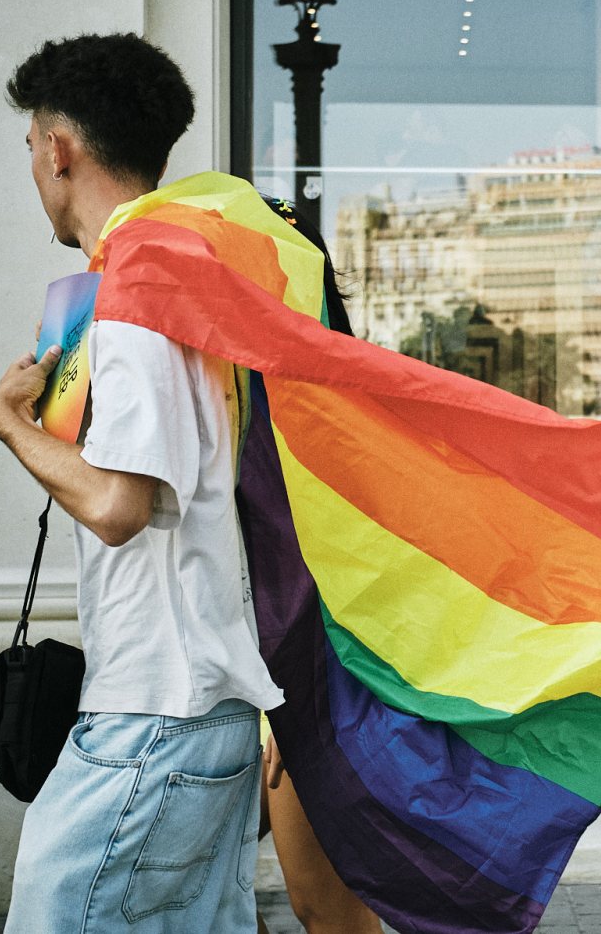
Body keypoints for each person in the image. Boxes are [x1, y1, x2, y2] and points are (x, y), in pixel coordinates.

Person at [0, 33, 283, 931]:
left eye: (30, 147)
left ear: (57, 148)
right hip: (200, 706)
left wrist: (9, 425)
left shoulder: (136, 296)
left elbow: (120, 506)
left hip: (156, 712)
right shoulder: (181, 278)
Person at [252, 196, 385, 934]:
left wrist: (289, 705)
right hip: (219, 686)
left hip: (312, 683)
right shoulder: (223, 380)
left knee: (325, 911)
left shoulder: (336, 398)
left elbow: (347, 562)